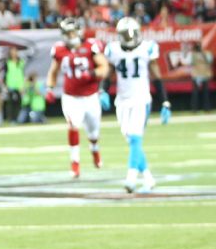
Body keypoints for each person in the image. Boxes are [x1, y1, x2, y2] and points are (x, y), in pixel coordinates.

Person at [105, 17, 168, 193]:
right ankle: (148, 178)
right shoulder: (113, 49)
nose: (130, 37)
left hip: (141, 99)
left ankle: (131, 178)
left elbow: (157, 76)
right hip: (122, 100)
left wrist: (165, 100)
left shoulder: (147, 48)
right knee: (131, 140)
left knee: (135, 138)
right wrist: (103, 90)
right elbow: (108, 73)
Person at [45, 17, 109, 178]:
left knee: (93, 132)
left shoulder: (90, 46)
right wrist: (49, 88)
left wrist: (92, 74)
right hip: (71, 97)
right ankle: (75, 163)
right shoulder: (59, 50)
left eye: (72, 32)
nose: (70, 35)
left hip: (90, 96)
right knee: (73, 126)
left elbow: (104, 67)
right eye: (67, 33)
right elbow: (53, 71)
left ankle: (94, 149)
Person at [3, 46, 26, 124]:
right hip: (11, 86)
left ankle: (18, 119)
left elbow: (22, 74)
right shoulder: (7, 62)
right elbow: (5, 75)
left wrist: (23, 85)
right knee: (10, 104)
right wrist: (6, 85)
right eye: (12, 51)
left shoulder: (21, 62)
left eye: (15, 51)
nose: (14, 53)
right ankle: (11, 119)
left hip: (19, 86)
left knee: (19, 103)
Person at [188, 42, 212, 112]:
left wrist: (203, 53)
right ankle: (194, 109)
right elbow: (191, 62)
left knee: (206, 93)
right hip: (196, 75)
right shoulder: (193, 54)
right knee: (195, 93)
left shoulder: (206, 53)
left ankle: (207, 108)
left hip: (204, 75)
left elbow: (209, 61)